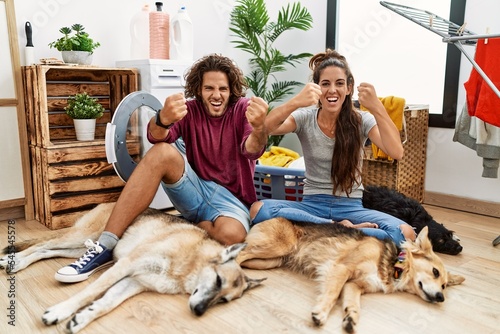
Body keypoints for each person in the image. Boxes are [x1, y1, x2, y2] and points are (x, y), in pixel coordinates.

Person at [55, 54, 269, 283]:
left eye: (222, 89)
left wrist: (259, 129)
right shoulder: (190, 110)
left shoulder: (243, 109)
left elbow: (252, 150)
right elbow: (155, 135)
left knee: (233, 236)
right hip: (196, 189)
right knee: (161, 151)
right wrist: (163, 119)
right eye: (209, 88)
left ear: (231, 90)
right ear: (198, 88)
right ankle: (104, 247)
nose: (216, 95)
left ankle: (187, 225)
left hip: (232, 201)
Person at [251, 49, 415, 246]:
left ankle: (323, 229)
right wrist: (296, 101)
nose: (332, 90)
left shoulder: (362, 120)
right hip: (312, 206)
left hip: (351, 207)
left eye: (339, 83)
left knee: (406, 234)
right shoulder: (305, 117)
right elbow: (267, 128)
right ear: (317, 88)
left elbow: (396, 152)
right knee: (258, 209)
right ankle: (341, 228)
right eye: (325, 84)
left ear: (349, 88)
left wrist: (377, 107)